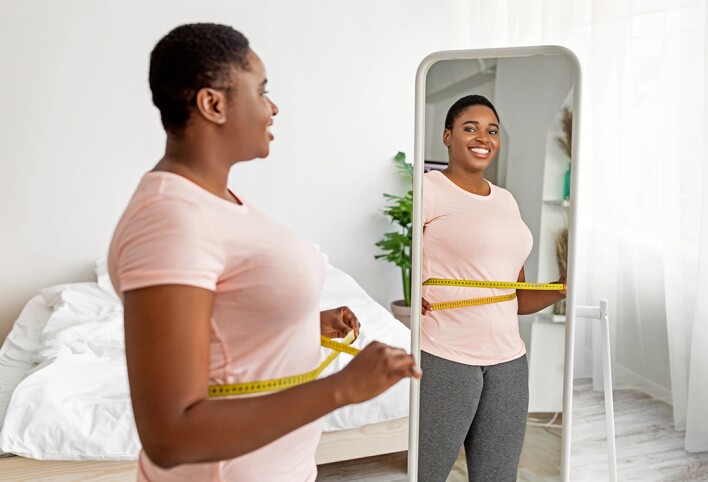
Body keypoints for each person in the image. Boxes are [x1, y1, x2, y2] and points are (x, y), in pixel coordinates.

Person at [108, 23, 420, 482]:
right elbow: (170, 435)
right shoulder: (169, 220)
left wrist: (297, 323)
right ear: (213, 104)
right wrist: (342, 389)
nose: (273, 108)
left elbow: (221, 327)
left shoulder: (211, 201)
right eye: (262, 90)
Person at [418, 94, 567, 481]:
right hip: (446, 355)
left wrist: (562, 287)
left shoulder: (506, 201)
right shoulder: (429, 190)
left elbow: (514, 296)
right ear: (448, 136)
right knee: (428, 473)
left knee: (498, 476)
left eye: (492, 130)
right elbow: (413, 270)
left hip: (508, 361)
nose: (483, 137)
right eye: (470, 128)